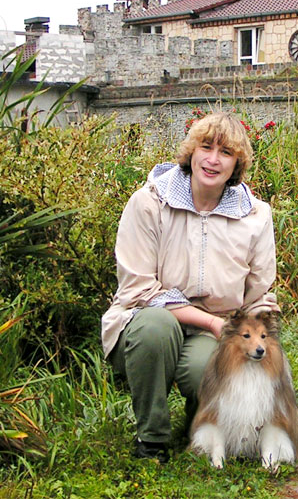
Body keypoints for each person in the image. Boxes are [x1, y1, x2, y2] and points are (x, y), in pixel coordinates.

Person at [101, 112, 280, 462]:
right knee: (156, 327)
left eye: (226, 153)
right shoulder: (149, 202)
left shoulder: (256, 216)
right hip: (144, 320)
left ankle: (199, 427)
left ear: (237, 165)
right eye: (206, 147)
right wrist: (211, 322)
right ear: (191, 151)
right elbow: (138, 290)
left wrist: (251, 329)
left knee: (206, 368)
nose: (213, 160)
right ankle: (151, 439)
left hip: (217, 329)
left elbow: (260, 292)